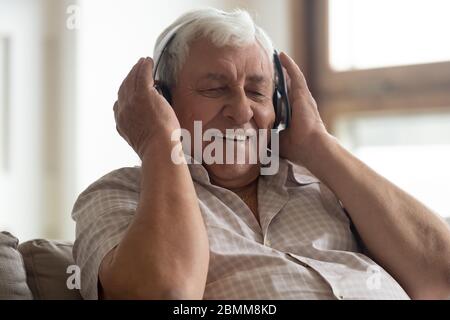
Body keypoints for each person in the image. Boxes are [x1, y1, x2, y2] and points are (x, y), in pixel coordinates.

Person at [71, 8, 450, 300]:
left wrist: (317, 143)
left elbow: (441, 278)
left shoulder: (328, 186)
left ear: (281, 108)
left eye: (257, 92)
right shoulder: (119, 195)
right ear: (163, 103)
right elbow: (165, 293)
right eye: (215, 89)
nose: (242, 111)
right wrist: (160, 143)